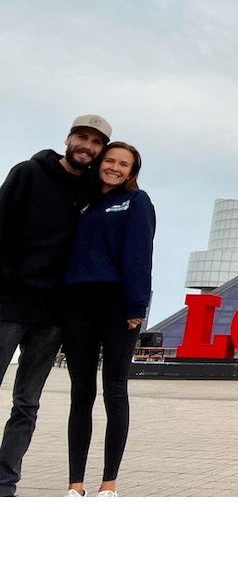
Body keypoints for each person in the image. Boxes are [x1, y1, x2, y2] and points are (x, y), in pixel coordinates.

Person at [0, 114, 112, 497]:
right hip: (9, 304)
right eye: (82, 137)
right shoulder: (28, 173)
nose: (87, 147)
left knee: (26, 403)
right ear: (68, 139)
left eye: (96, 143)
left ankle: (4, 484)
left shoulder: (93, 192)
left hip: (52, 315)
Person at [62, 141, 155, 497]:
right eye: (110, 161)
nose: (114, 168)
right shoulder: (83, 202)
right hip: (77, 306)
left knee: (114, 391)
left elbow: (139, 254)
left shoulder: (136, 201)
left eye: (123, 164)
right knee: (81, 393)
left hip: (117, 308)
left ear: (132, 172)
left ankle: (109, 484)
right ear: (100, 163)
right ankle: (75, 485)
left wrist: (136, 307)